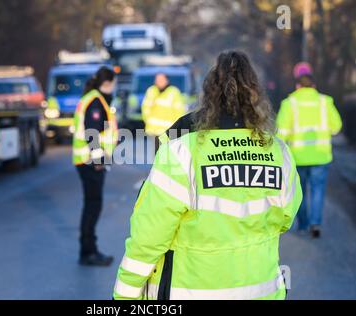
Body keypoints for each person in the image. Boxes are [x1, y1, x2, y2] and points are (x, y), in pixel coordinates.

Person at [113, 51, 302, 300]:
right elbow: (285, 218)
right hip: (261, 290)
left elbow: (149, 237)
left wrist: (126, 293)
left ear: (209, 94)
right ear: (255, 95)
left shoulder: (181, 152)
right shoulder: (279, 152)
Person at [276, 68, 342, 238]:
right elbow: (336, 127)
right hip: (321, 155)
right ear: (314, 85)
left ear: (298, 86)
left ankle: (303, 224)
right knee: (318, 190)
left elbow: (281, 134)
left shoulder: (289, 103)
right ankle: (315, 223)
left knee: (300, 191)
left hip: (297, 156)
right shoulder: (325, 101)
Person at [72, 67, 118, 266]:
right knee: (93, 206)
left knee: (91, 205)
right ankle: (88, 251)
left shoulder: (92, 98)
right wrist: (99, 160)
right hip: (90, 162)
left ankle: (88, 250)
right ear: (107, 83)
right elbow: (92, 132)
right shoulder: (96, 102)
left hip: (88, 161)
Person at [142, 73, 186, 138]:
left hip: (169, 130)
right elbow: (145, 108)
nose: (158, 82)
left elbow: (179, 111)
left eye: (161, 80)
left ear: (167, 80)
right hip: (154, 130)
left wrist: (177, 127)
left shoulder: (173, 91)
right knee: (157, 147)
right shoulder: (151, 90)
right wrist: (148, 121)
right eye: (157, 79)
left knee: (167, 147)